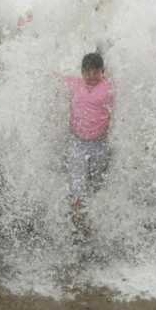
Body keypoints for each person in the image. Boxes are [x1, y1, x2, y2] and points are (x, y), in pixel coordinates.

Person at [62, 52, 114, 238]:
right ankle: (77, 220)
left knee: (95, 183)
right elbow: (52, 78)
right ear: (82, 72)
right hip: (78, 143)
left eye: (95, 72)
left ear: (103, 72)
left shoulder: (109, 87)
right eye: (87, 72)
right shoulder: (75, 83)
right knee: (77, 182)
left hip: (100, 144)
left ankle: (92, 221)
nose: (91, 76)